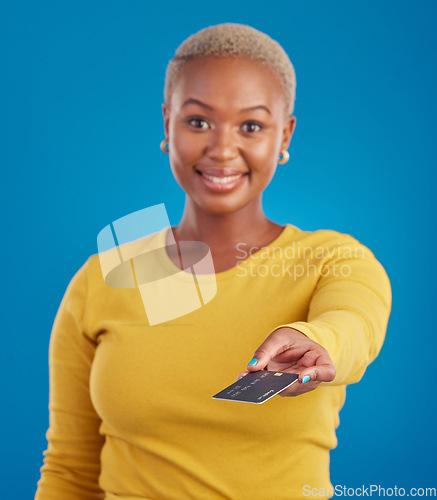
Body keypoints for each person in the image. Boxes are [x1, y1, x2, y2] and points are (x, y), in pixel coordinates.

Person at [35, 23, 392, 500]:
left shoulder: (334, 259)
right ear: (167, 125)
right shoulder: (101, 279)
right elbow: (70, 471)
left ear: (284, 134)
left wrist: (314, 342)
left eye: (251, 126)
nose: (222, 150)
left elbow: (354, 324)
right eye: (199, 122)